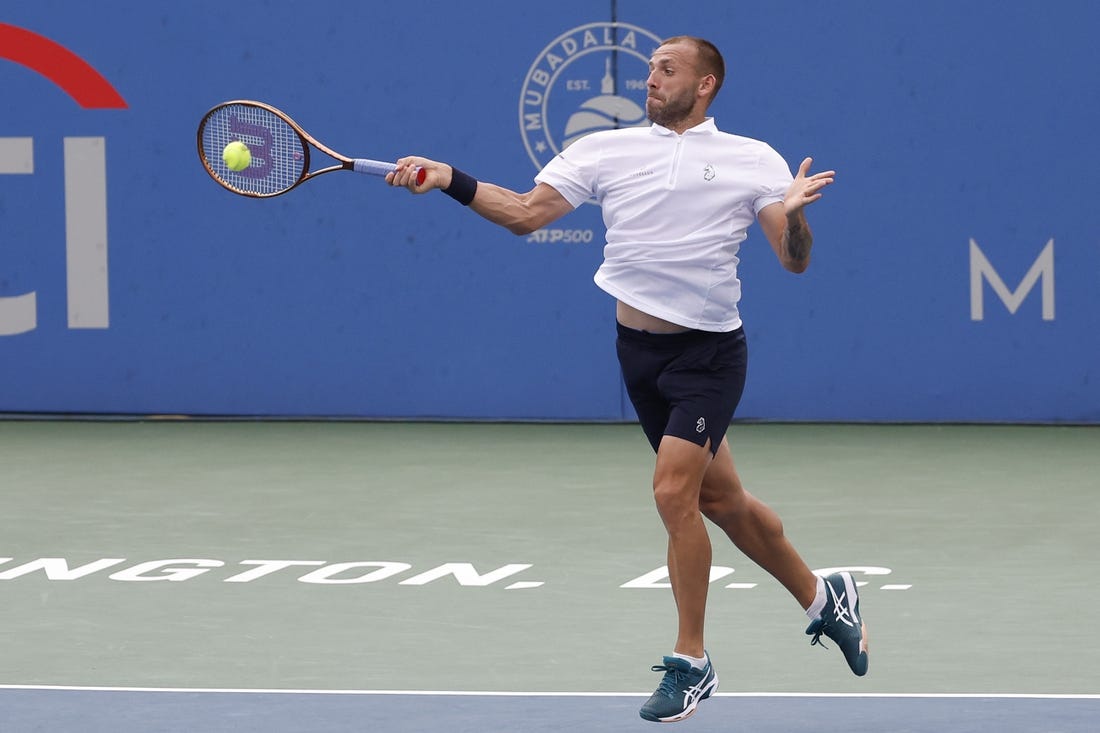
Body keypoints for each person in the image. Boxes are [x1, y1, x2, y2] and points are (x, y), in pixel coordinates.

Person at [387, 35, 868, 723]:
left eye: (667, 71)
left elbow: (793, 261)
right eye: (650, 70)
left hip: (709, 354)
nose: (653, 79)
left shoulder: (751, 158)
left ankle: (692, 662)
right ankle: (828, 599)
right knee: (723, 503)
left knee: (673, 492)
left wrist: (793, 218)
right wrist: (449, 179)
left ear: (705, 86)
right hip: (639, 354)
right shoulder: (603, 149)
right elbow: (526, 213)